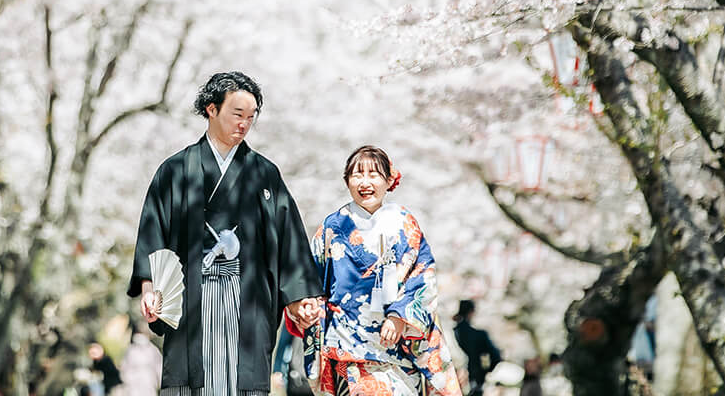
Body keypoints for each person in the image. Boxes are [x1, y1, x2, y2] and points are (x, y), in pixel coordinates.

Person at [129, 71, 324, 396]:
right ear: (211, 109)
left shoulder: (264, 173)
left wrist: (298, 297)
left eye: (251, 117)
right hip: (190, 295)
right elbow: (153, 233)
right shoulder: (174, 171)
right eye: (237, 114)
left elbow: (289, 238)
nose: (244, 124)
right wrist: (150, 288)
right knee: (191, 380)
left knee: (243, 378)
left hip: (247, 299)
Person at [294, 145, 460, 396]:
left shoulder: (404, 223)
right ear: (346, 181)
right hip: (346, 346)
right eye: (357, 175)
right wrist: (307, 306)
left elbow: (422, 276)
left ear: (389, 180)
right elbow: (311, 278)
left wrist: (398, 316)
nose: (365, 182)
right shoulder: (333, 226)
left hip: (396, 347)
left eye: (373, 174)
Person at [452, 299, 502, 396]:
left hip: (450, 379)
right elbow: (496, 356)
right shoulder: (479, 335)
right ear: (471, 312)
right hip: (475, 381)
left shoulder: (449, 333)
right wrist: (485, 371)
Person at [119, 325, 162, 396]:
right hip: (148, 380)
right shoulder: (152, 348)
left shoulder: (130, 349)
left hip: (135, 382)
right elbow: (159, 366)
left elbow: (124, 367)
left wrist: (126, 380)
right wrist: (159, 382)